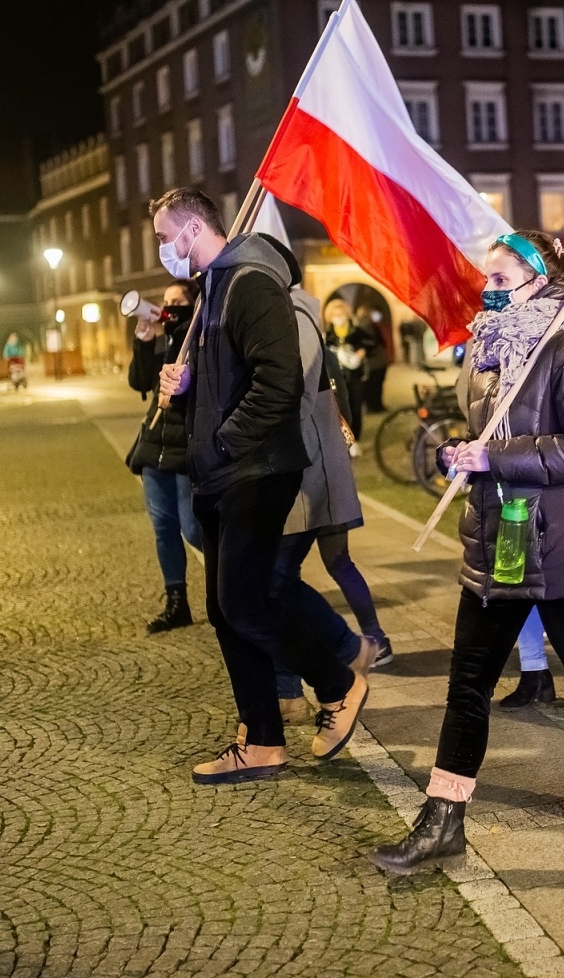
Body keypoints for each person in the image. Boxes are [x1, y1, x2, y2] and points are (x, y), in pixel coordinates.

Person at [370, 230, 564, 874]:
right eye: (490, 279)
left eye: (503, 280)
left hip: (558, 543)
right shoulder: (489, 351)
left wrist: (495, 456)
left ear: (542, 282)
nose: (490, 289)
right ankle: (443, 818)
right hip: (495, 540)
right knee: (467, 684)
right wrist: (461, 451)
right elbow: (484, 432)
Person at [154, 187, 367, 785]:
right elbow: (234, 377)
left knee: (247, 602)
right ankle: (262, 740)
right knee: (228, 612)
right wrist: (190, 382)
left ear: (194, 230)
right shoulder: (213, 288)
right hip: (222, 473)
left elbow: (279, 382)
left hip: (256, 469)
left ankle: (338, 682)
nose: (163, 249)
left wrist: (226, 440)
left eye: (166, 237)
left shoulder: (249, 282)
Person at [264, 234, 383, 723]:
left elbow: (322, 400)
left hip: (309, 475)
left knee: (279, 579)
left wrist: (342, 447)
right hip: (304, 474)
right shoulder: (287, 320)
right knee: (272, 582)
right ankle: (294, 688)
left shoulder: (295, 323)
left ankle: (352, 651)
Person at [126, 279, 204, 634]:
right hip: (154, 445)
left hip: (184, 447)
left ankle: (233, 582)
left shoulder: (195, 336)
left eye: (178, 301)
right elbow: (141, 382)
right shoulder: (168, 339)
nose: (169, 307)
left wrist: (177, 330)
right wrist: (144, 341)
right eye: (165, 301)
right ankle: (177, 602)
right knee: (163, 528)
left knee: (192, 528)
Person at [323, 299, 376, 442]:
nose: (338, 316)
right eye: (335, 313)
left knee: (355, 406)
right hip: (336, 376)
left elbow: (371, 344)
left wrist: (362, 351)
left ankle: (356, 438)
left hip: (355, 375)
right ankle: (343, 437)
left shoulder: (357, 331)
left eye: (341, 313)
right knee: (339, 407)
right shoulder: (327, 335)